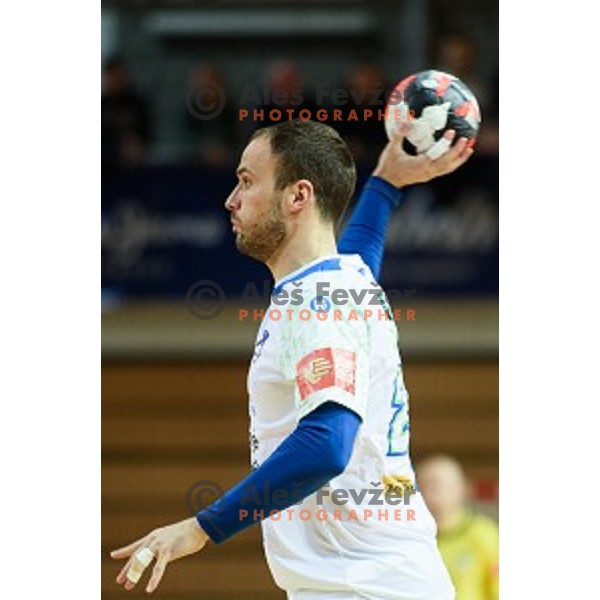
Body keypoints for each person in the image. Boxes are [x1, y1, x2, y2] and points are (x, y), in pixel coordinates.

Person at [110, 119, 473, 598]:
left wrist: (201, 528)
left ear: (298, 196)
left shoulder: (315, 301)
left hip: (361, 585)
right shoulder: (345, 280)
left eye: (246, 181)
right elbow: (360, 250)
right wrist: (384, 183)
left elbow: (327, 444)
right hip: (378, 578)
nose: (231, 200)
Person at [417, 455, 499, 600]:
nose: (429, 494)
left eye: (436, 486)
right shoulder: (409, 537)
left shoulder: (485, 535)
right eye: (422, 487)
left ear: (461, 488)